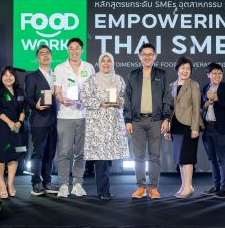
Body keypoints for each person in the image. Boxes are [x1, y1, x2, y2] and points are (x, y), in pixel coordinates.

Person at [123, 43, 173, 199]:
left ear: (155, 56)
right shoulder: (133, 75)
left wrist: (166, 118)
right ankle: (140, 187)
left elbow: (167, 98)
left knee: (154, 156)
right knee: (138, 156)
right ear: (139, 56)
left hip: (156, 120)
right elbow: (127, 98)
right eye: (144, 54)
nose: (147, 57)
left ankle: (153, 188)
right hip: (137, 121)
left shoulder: (161, 74)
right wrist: (128, 120)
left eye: (150, 54)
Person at [80, 52, 129, 200]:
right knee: (101, 158)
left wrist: (119, 102)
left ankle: (104, 189)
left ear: (112, 63)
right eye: (103, 61)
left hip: (113, 124)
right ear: (99, 63)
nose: (106, 63)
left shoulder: (119, 80)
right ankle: (103, 190)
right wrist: (100, 103)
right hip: (97, 125)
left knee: (108, 159)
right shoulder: (92, 80)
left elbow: (125, 98)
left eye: (109, 61)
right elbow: (84, 98)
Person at [54, 38, 95, 198]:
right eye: (71, 48)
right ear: (67, 50)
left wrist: (87, 100)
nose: (74, 51)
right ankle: (64, 184)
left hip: (84, 115)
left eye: (77, 48)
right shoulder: (60, 68)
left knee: (81, 152)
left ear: (82, 50)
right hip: (65, 115)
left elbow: (92, 90)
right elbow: (57, 92)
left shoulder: (89, 67)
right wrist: (62, 99)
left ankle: (78, 184)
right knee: (64, 151)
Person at [166, 56, 203, 199]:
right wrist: (167, 129)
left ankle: (188, 186)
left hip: (188, 126)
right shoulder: (172, 85)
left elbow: (196, 107)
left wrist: (195, 127)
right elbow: (169, 109)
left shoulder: (193, 85)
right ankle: (185, 186)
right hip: (175, 126)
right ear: (177, 69)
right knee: (180, 159)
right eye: (183, 68)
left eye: (188, 68)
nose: (185, 71)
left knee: (187, 158)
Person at [24, 45, 58, 196]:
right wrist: (36, 105)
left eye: (48, 53)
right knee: (38, 154)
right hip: (39, 120)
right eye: (41, 53)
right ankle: (36, 183)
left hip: (55, 121)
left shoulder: (56, 75)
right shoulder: (31, 77)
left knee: (50, 154)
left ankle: (47, 182)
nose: (45, 56)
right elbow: (28, 99)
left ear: (51, 56)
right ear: (37, 58)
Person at [201, 63, 225, 199]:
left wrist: (217, 100)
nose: (217, 75)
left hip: (221, 129)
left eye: (220, 73)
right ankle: (216, 187)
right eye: (214, 73)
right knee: (213, 160)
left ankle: (224, 188)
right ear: (208, 75)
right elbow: (202, 106)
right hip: (207, 128)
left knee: (223, 159)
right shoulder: (205, 88)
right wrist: (205, 104)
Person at [0, 66, 26, 198]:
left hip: (16, 128)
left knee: (13, 156)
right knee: (0, 156)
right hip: (1, 127)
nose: (8, 77)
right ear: (1, 77)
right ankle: (1, 184)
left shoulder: (20, 91)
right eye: (5, 75)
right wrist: (10, 123)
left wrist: (19, 122)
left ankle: (10, 184)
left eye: (11, 75)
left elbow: (24, 109)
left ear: (15, 77)